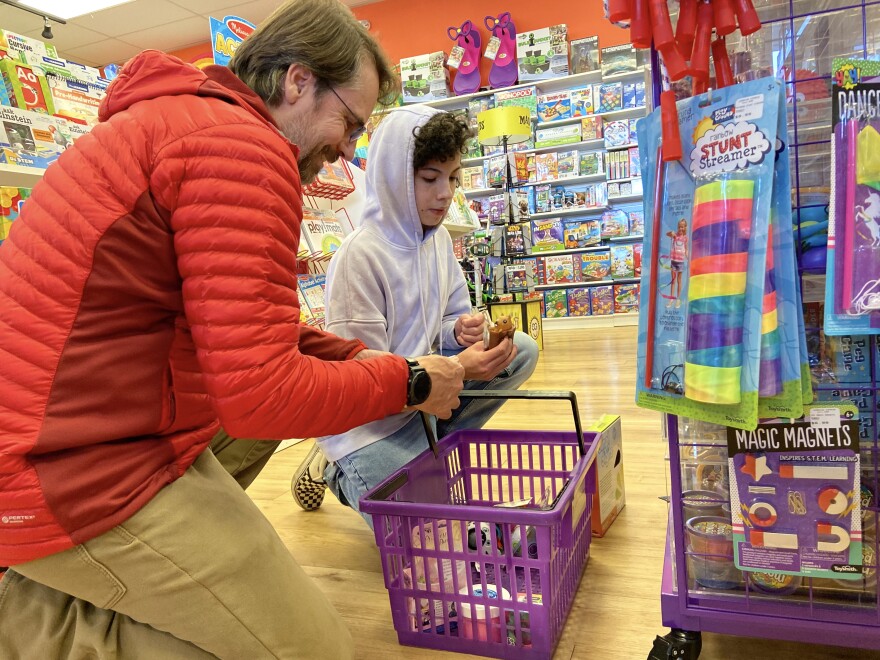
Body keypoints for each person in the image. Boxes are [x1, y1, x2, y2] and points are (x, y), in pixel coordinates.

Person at [0, 1, 465, 658]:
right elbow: (259, 396)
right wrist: (411, 379)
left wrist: (370, 363)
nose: (349, 147)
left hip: (93, 431)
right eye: (348, 122)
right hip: (71, 467)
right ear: (299, 81)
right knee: (313, 649)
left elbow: (260, 338)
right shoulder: (243, 148)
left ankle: (61, 595)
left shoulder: (184, 121)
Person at [292, 106, 539, 522]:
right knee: (423, 531)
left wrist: (458, 332)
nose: (446, 193)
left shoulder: (437, 240)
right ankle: (332, 465)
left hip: (423, 399)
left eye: (454, 178)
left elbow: (443, 320)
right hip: (369, 422)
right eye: (430, 179)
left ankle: (430, 451)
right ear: (393, 178)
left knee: (521, 350)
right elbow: (363, 381)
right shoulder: (360, 257)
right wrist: (459, 367)